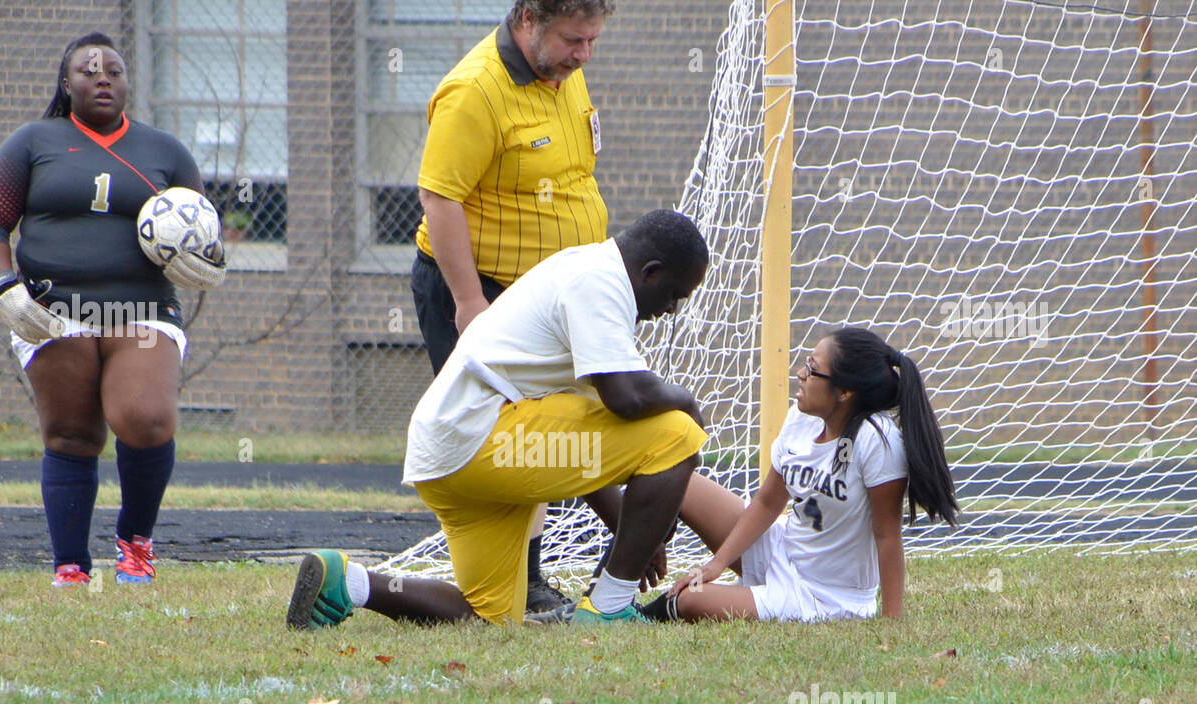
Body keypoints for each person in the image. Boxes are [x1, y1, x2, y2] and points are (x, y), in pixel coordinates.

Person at [287, 209, 708, 629]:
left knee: (490, 616)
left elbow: (579, 443)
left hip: (450, 453)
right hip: (488, 439)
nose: (670, 309)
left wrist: (631, 531)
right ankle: (609, 607)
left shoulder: (583, 268)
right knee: (675, 432)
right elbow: (627, 398)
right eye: (674, 294)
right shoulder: (599, 282)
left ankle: (350, 582)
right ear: (651, 272)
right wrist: (689, 403)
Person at [0, 32, 224, 587]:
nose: (102, 76)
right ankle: (70, 566)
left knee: (146, 419)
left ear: (129, 82)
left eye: (113, 69)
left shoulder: (165, 151)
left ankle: (136, 542)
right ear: (67, 85)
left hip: (142, 308)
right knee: (71, 435)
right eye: (88, 70)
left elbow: (203, 230)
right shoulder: (33, 141)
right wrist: (6, 286)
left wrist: (207, 262)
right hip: (52, 309)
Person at [412, 0, 615, 613]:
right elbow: (438, 198)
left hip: (549, 296)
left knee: (547, 432)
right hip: (488, 291)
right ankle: (515, 583)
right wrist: (471, 301)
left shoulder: (562, 71)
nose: (583, 55)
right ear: (528, 18)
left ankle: (529, 575)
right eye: (573, 40)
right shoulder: (475, 90)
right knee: (506, 440)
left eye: (591, 41)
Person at [637, 327, 958, 622]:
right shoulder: (802, 418)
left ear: (844, 392)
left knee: (687, 601)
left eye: (813, 368)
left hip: (823, 595)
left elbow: (888, 535)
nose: (801, 374)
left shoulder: (877, 440)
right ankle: (611, 588)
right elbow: (766, 503)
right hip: (783, 548)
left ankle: (637, 617)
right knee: (679, 483)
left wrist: (892, 622)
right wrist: (715, 565)